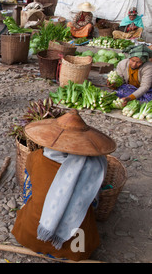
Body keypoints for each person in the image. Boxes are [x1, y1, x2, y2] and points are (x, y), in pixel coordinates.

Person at [12, 109, 116, 261]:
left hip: (32, 234)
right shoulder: (93, 167)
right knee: (85, 214)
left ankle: (42, 236)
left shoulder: (36, 157)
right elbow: (93, 203)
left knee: (31, 203)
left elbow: (28, 191)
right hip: (75, 248)